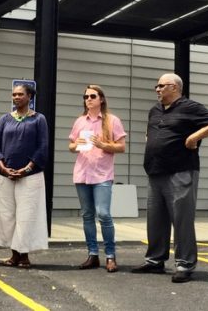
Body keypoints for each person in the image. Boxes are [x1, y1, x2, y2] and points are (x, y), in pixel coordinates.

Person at [131, 73, 208, 283]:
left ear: (174, 87)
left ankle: (184, 264)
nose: (157, 89)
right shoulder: (154, 110)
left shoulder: (189, 107)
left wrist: (193, 137)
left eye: (161, 86)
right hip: (156, 171)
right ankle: (155, 261)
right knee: (155, 219)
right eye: (156, 86)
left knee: (181, 219)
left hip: (181, 171)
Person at [0, 82, 50, 268]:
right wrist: (3, 168)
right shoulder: (5, 119)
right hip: (6, 176)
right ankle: (13, 254)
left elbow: (43, 148)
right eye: (14, 94)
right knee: (8, 216)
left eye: (20, 94)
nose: (16, 97)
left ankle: (24, 256)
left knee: (26, 215)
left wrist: (27, 169)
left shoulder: (39, 120)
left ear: (30, 97)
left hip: (30, 177)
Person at [67, 84, 126, 273]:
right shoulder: (79, 122)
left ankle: (110, 255)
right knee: (87, 215)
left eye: (92, 96)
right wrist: (76, 144)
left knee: (104, 214)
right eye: (85, 97)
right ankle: (92, 254)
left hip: (102, 175)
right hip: (82, 173)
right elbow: (70, 145)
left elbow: (121, 147)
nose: (88, 99)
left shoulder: (112, 121)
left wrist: (103, 144)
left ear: (101, 99)